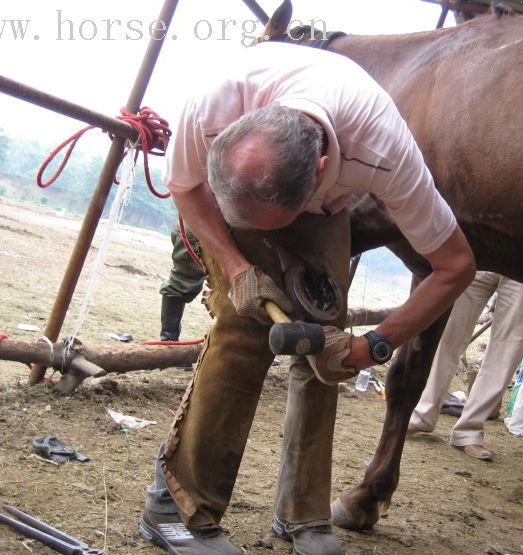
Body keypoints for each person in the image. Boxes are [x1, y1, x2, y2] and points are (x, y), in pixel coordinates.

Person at [140, 41, 475, 555]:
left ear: (321, 170)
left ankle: (303, 515)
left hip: (326, 199)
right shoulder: (210, 105)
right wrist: (235, 266)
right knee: (243, 330)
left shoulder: (384, 153)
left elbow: (455, 266)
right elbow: (185, 187)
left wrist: (372, 346)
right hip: (238, 194)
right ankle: (179, 509)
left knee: (326, 345)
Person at [408, 272, 523, 461]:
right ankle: (422, 415)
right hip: (480, 256)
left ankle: (469, 431)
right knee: (447, 333)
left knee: (507, 351)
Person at [159, 224, 205, 368]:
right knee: (182, 280)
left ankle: (254, 348)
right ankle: (169, 345)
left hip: (241, 229)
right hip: (198, 225)